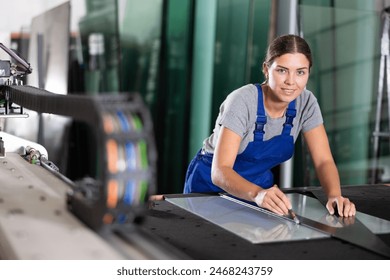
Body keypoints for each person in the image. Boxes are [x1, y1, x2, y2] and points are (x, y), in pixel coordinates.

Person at [183, 34, 356, 218]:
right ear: (266, 69)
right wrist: (258, 194)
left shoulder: (306, 103)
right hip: (210, 187)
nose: (291, 81)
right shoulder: (242, 101)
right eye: (282, 70)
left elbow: (323, 161)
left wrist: (335, 195)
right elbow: (220, 172)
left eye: (300, 72)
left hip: (258, 186)